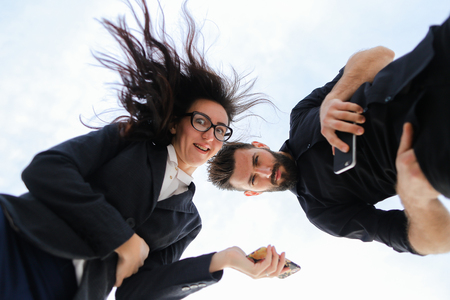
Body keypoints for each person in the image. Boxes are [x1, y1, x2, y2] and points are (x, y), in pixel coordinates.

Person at [0, 1, 289, 299]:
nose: (209, 135)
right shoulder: (129, 139)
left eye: (219, 130)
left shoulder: (189, 222)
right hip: (18, 242)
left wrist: (223, 260)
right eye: (201, 121)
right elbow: (47, 170)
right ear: (176, 124)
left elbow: (135, 293)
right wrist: (122, 238)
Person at [207, 15, 450, 256]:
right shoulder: (322, 212)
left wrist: (334, 97)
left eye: (256, 160)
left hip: (434, 60)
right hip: (436, 147)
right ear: (252, 193)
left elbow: (381, 55)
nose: (264, 172)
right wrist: (416, 200)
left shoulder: (300, 115)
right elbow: (437, 241)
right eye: (253, 180)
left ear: (259, 145)